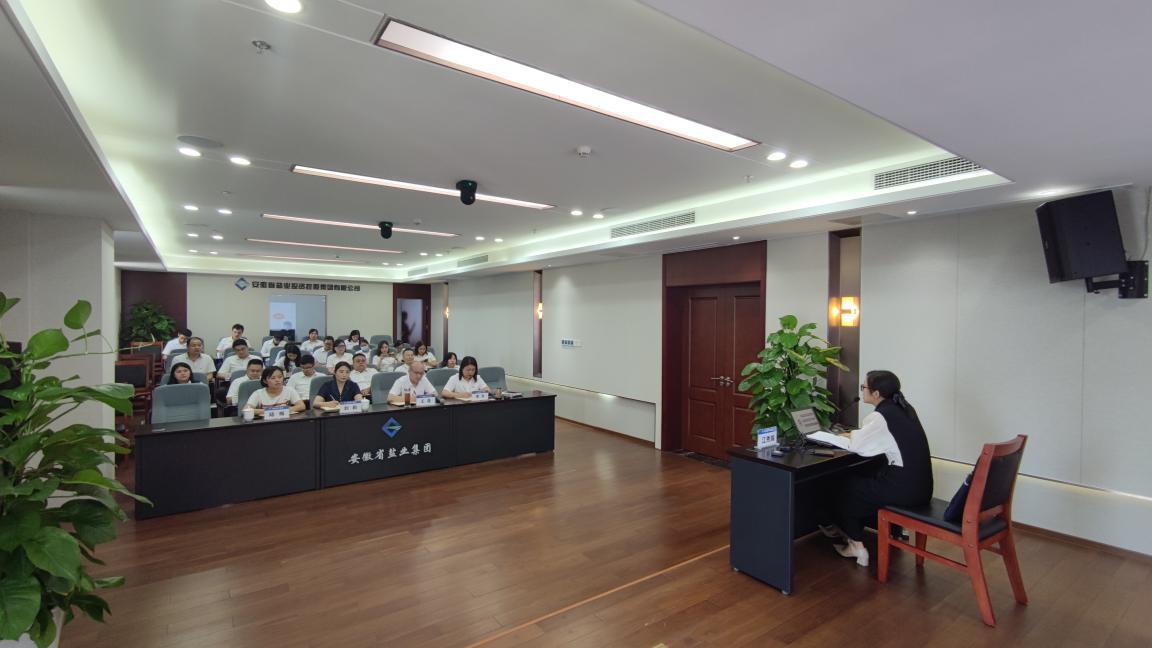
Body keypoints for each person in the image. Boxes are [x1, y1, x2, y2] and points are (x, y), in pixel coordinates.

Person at [826, 370, 934, 567]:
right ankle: (846, 527)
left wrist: (840, 436)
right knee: (864, 475)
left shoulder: (881, 416)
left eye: (864, 387)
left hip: (904, 490)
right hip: (921, 487)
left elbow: (857, 446)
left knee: (845, 486)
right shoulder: (904, 408)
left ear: (876, 394)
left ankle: (856, 546)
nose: (862, 390)